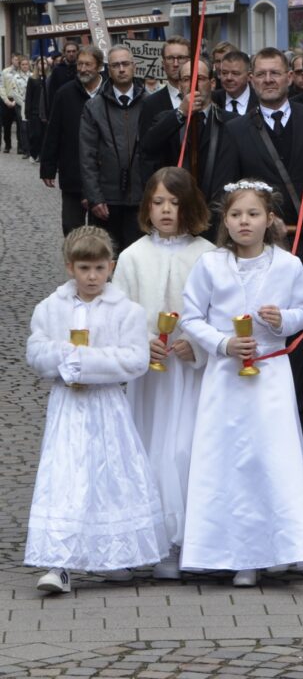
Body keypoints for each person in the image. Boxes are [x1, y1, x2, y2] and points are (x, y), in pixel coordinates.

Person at [180, 180, 303, 586]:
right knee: (226, 458)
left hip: (270, 375)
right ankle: (225, 550)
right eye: (236, 215)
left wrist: (283, 321)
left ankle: (279, 547)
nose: (244, 222)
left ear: (270, 219)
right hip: (224, 377)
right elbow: (190, 317)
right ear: (226, 220)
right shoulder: (210, 265)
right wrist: (222, 344)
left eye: (253, 214)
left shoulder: (288, 265)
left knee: (271, 457)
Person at [25, 226, 167, 595]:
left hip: (107, 406)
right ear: (70, 267)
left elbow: (135, 359)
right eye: (84, 268)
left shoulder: (127, 311)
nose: (92, 277)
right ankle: (60, 562)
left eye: (99, 268)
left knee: (112, 476)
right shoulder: (51, 307)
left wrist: (85, 363)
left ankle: (113, 555)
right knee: (66, 475)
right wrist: (65, 361)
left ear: (111, 267)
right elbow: (36, 350)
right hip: (68, 407)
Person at [217, 48, 303, 436]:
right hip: (258, 249)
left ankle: (295, 412)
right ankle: (258, 408)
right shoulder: (236, 130)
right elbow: (224, 189)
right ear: (252, 80)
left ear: (291, 77)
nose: (269, 80)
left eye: (276, 73)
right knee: (261, 325)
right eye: (262, 74)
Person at [111, 168, 214, 580]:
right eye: (158, 203)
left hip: (187, 375)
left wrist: (201, 345)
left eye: (174, 203)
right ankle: (142, 539)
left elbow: (217, 311)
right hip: (149, 379)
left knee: (182, 449)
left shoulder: (207, 255)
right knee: (145, 447)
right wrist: (140, 343)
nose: (166, 211)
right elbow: (119, 313)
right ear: (146, 207)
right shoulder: (134, 256)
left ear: (190, 207)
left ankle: (182, 540)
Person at [79, 45, 146, 255]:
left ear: (134, 67)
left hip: (141, 198)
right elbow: (86, 155)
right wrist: (95, 197)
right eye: (116, 65)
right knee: (104, 257)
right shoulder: (94, 106)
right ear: (109, 70)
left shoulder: (149, 102)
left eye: (125, 64)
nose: (121, 69)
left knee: (137, 258)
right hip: (106, 200)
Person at [140, 56, 232, 208]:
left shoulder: (230, 122)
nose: (193, 84)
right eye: (186, 79)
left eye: (200, 78)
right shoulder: (166, 119)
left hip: (217, 209)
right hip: (176, 207)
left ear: (213, 83)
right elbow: (148, 146)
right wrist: (181, 113)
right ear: (180, 85)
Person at [41, 45, 104, 235]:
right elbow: (54, 131)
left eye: (88, 64)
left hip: (104, 175)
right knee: (71, 227)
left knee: (100, 229)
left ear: (99, 66)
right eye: (80, 64)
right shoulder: (65, 93)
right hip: (72, 171)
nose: (83, 69)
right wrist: (48, 167)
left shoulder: (109, 92)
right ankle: (74, 264)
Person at [138, 37, 191, 142]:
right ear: (163, 64)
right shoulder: (150, 103)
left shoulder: (203, 96)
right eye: (170, 58)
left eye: (180, 58)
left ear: (189, 61)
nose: (176, 64)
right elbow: (146, 145)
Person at [212, 50, 255, 116]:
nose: (229, 78)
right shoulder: (212, 100)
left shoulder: (261, 101)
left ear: (249, 76)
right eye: (224, 73)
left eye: (235, 73)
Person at [45, 41, 79, 108]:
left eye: (73, 51)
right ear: (64, 53)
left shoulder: (82, 68)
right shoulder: (57, 70)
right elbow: (52, 92)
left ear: (77, 52)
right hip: (63, 106)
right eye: (68, 51)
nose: (71, 54)